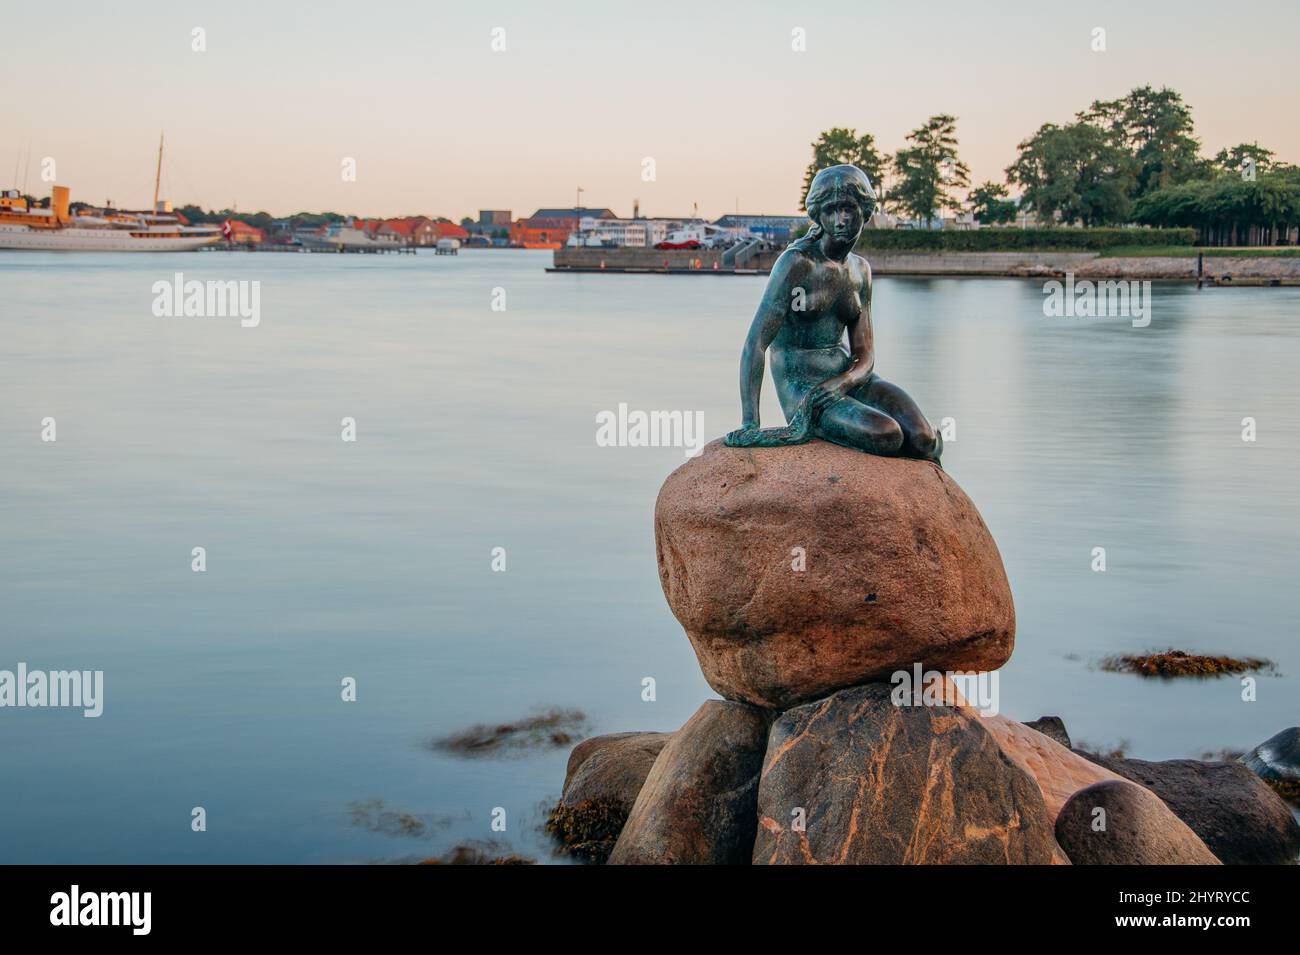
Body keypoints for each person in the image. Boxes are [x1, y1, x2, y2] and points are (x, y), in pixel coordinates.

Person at [725, 164, 941, 464]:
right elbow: (756, 343)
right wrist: (751, 421)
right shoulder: (797, 263)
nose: (841, 220)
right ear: (818, 214)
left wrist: (843, 382)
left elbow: (864, 355)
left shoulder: (860, 270)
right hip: (804, 389)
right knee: (887, 434)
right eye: (831, 210)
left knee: (924, 438)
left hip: (847, 379)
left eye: (849, 209)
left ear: (864, 210)